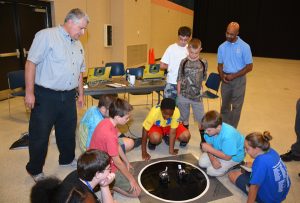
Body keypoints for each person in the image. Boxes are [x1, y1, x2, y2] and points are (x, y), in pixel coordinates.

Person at [24, 8, 89, 182]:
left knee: (67, 131)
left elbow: (79, 72)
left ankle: (67, 159)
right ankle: (34, 169)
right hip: (45, 96)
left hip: (68, 96)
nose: (83, 33)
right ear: (70, 22)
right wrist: (29, 93)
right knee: (40, 134)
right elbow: (31, 64)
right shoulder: (46, 36)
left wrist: (80, 94)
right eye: (81, 28)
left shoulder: (78, 44)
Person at [89, 98, 141, 197]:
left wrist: (126, 161)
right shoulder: (109, 135)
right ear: (117, 117)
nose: (128, 120)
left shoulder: (109, 122)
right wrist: (131, 180)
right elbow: (117, 162)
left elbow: (117, 145)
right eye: (126, 118)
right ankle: (109, 185)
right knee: (136, 192)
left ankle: (108, 181)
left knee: (130, 170)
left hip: (103, 159)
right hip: (101, 166)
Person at [30, 149, 115, 203]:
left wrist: (104, 185)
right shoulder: (85, 198)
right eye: (108, 168)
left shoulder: (76, 173)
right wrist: (105, 186)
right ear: (97, 174)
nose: (111, 170)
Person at [228, 131, 291, 203]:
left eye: (247, 148)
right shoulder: (271, 151)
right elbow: (268, 166)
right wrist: (253, 165)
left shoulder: (260, 162)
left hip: (269, 199)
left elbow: (254, 187)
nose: (245, 151)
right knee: (245, 170)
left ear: (257, 149)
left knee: (232, 174)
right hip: (281, 193)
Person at [217, 22, 253, 128]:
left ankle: (232, 129)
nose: (228, 36)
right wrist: (222, 75)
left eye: (232, 34)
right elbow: (219, 65)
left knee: (236, 107)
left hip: (239, 80)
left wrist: (233, 76)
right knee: (225, 106)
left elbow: (250, 67)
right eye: (227, 33)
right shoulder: (222, 47)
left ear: (237, 33)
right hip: (225, 80)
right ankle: (224, 127)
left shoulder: (245, 47)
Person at [177, 38, 208, 142]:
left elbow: (203, 79)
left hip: (197, 97)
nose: (193, 55)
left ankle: (203, 140)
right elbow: (179, 79)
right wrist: (178, 95)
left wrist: (200, 92)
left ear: (200, 50)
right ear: (188, 50)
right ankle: (185, 139)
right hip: (183, 96)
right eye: (191, 52)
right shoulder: (183, 62)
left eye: (196, 52)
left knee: (201, 120)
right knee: (184, 119)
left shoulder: (203, 62)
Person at [199, 110, 245, 176]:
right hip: (219, 151)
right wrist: (212, 160)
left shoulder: (228, 135)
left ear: (218, 127)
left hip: (233, 157)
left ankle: (235, 165)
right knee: (202, 163)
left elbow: (228, 157)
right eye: (205, 129)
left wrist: (209, 149)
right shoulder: (208, 131)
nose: (205, 132)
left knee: (211, 171)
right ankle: (220, 163)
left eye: (208, 130)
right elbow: (209, 145)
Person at [160, 26, 191, 100]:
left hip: (184, 84)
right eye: (181, 39)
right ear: (178, 37)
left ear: (189, 38)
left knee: (182, 108)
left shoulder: (189, 49)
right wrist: (171, 66)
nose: (183, 42)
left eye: (185, 40)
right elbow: (162, 65)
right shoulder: (171, 48)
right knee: (168, 106)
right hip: (171, 82)